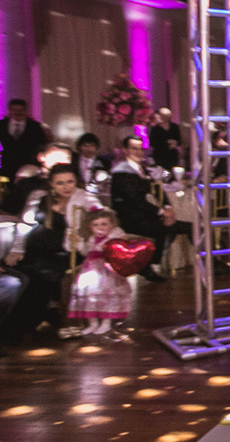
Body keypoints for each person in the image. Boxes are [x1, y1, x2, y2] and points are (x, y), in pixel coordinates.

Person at [3, 164, 100, 337]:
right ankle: (38, 316)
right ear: (51, 184)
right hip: (34, 250)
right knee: (25, 275)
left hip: (66, 252)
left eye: (70, 182)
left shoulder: (84, 198)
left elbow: (101, 214)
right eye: (60, 183)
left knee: (43, 275)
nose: (66, 187)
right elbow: (24, 224)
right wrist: (16, 250)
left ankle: (16, 328)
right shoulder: (39, 196)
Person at [110, 136, 183, 282]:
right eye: (134, 148)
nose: (138, 152)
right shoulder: (121, 172)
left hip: (147, 216)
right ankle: (148, 265)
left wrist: (167, 208)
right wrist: (161, 212)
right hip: (131, 218)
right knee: (166, 230)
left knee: (187, 227)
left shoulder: (143, 170)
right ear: (125, 151)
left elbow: (157, 190)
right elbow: (135, 200)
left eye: (141, 149)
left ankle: (213, 263)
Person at [65, 207, 131, 337]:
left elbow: (120, 250)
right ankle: (92, 323)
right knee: (90, 296)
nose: (100, 227)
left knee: (108, 296)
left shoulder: (114, 236)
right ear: (90, 227)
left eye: (104, 224)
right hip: (90, 269)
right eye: (95, 225)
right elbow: (86, 252)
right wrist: (79, 243)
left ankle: (106, 322)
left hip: (107, 271)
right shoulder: (92, 238)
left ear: (112, 224)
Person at [1, 98, 49, 179]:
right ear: (10, 110)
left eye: (21, 110)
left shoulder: (35, 126)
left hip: (28, 165)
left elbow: (42, 144)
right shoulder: (2, 125)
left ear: (25, 111)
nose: (18, 113)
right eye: (14, 110)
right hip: (7, 165)